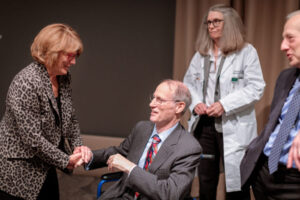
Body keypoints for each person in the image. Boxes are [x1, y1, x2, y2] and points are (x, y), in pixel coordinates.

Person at [183, 4, 265, 200]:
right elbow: (187, 84)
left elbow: (256, 87)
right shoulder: (201, 54)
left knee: (237, 184)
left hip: (233, 125)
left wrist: (225, 104)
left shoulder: (246, 52)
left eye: (216, 21)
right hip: (206, 127)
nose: (211, 26)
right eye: (209, 22)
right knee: (206, 181)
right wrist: (196, 102)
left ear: (229, 24)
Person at [0, 23, 88, 200]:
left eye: (75, 56)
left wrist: (78, 145)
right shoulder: (26, 82)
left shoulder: (63, 78)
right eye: (70, 56)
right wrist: (65, 160)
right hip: (17, 168)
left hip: (45, 162)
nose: (74, 62)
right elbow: (32, 139)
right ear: (53, 52)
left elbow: (70, 118)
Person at [77, 80, 202, 200]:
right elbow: (119, 152)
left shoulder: (189, 147)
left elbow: (170, 193)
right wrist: (88, 156)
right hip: (123, 195)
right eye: (153, 98)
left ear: (179, 107)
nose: (152, 104)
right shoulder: (142, 129)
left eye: (160, 100)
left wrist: (130, 168)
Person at [240, 10, 300, 200]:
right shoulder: (286, 76)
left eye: (290, 38)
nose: (283, 46)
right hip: (265, 172)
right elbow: (276, 122)